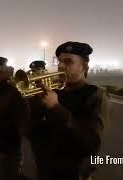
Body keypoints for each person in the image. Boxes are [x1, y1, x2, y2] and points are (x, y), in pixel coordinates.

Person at [30, 41, 111, 180]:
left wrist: (56, 108)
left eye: (68, 62)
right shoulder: (53, 91)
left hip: (75, 173)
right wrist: (32, 101)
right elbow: (34, 132)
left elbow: (92, 142)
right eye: (59, 61)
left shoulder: (95, 95)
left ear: (83, 67)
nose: (61, 66)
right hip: (46, 170)